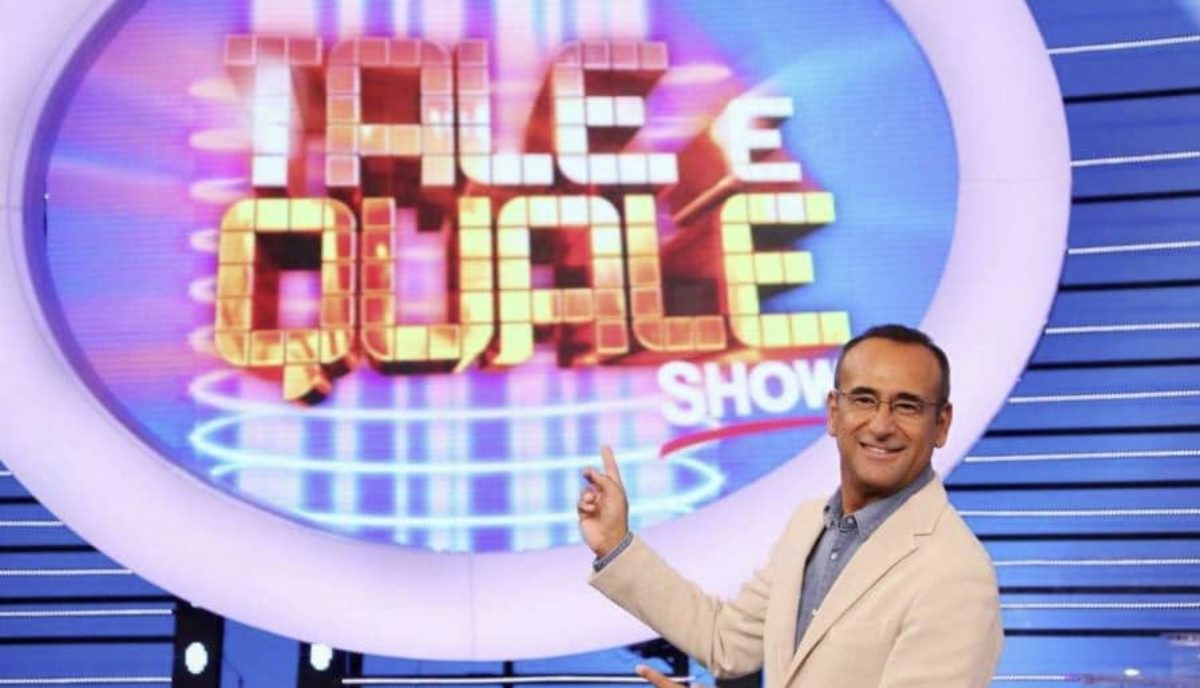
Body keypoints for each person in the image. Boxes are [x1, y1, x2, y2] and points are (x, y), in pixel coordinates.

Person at [577, 324, 1003, 687]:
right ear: (833, 412)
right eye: (863, 399)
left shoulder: (955, 573)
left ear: (941, 424)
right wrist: (616, 544)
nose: (881, 424)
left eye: (907, 406)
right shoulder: (810, 522)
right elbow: (726, 641)